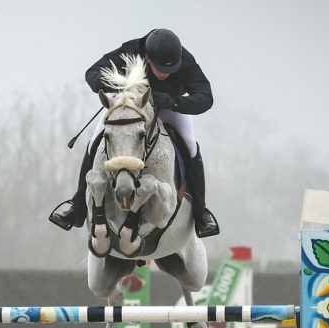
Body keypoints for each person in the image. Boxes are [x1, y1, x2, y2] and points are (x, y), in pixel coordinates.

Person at [49, 28, 219, 238]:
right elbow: (92, 73)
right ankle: (77, 206)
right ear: (147, 58)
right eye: (159, 68)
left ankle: (201, 213)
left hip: (168, 109)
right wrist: (119, 84)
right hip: (131, 109)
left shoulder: (185, 60)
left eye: (170, 70)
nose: (165, 74)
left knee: (191, 147)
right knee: (95, 141)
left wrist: (173, 101)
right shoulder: (130, 51)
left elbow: (205, 97)